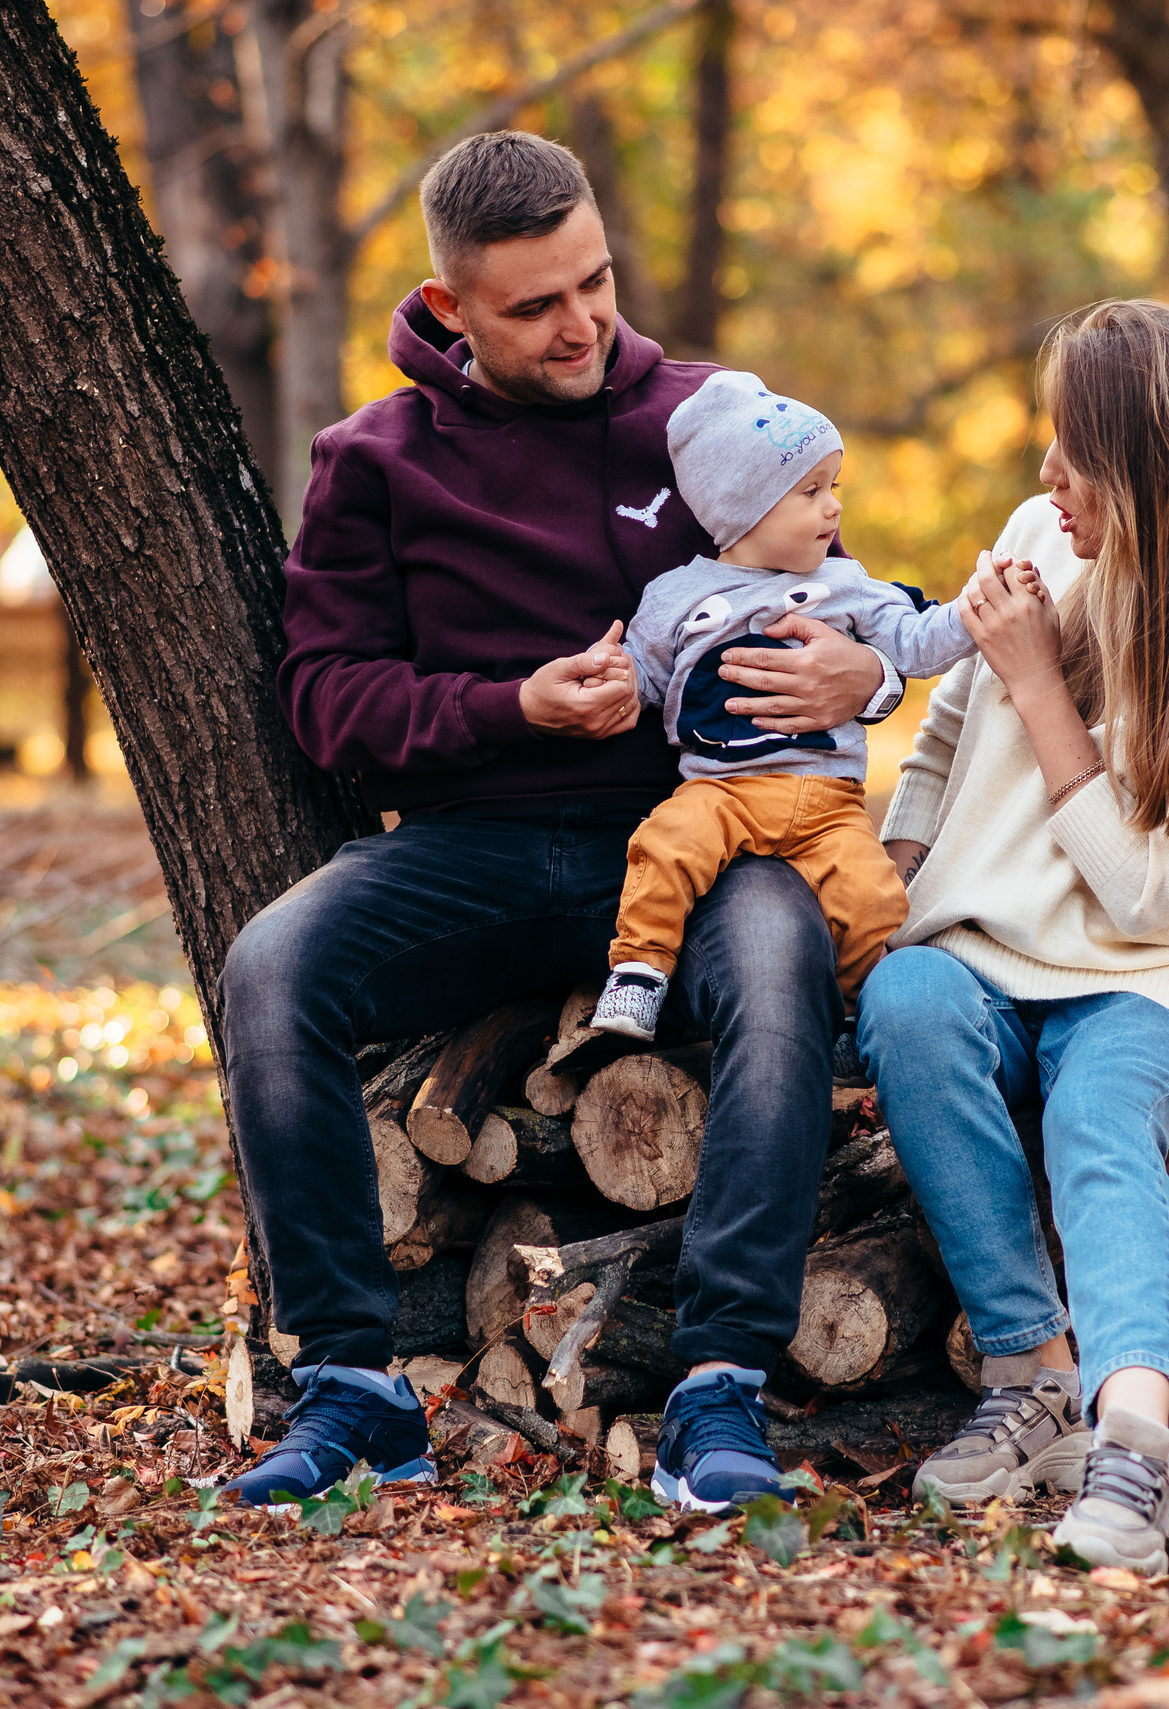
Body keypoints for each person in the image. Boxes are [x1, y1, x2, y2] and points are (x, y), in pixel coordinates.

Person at [216, 131, 911, 1513]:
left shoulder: (713, 414)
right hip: (472, 848)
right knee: (272, 969)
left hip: (703, 831)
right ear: (453, 307)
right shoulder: (376, 459)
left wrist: (869, 675)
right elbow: (324, 695)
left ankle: (719, 1386)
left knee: (781, 968)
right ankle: (351, 1389)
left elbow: (848, 600)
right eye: (535, 305)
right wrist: (509, 708)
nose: (582, 323)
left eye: (594, 281)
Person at [854, 300, 1169, 1574]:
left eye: (1074, 451)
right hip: (976, 956)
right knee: (905, 1000)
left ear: (1149, 477)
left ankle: (1130, 1446)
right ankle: (1027, 1376)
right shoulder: (1035, 536)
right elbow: (945, 738)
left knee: (1094, 1118)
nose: (1043, 476)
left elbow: (1141, 896)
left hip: (1152, 983)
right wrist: (887, 888)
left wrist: (1036, 680)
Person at [578, 372, 976, 1046]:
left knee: (875, 902)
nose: (833, 511)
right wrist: (614, 677)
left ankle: (866, 1024)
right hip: (720, 791)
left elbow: (917, 641)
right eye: (811, 492)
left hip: (830, 804)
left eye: (835, 487)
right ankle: (638, 975)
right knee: (665, 847)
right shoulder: (678, 595)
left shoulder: (845, 586)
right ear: (745, 508)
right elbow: (645, 673)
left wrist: (977, 611)